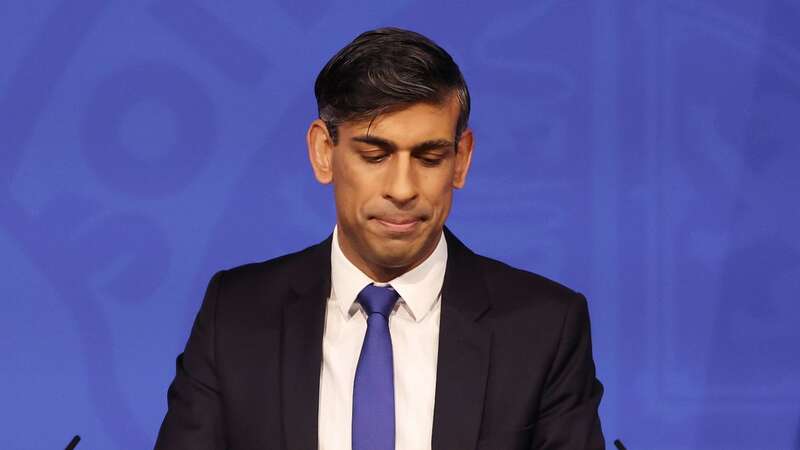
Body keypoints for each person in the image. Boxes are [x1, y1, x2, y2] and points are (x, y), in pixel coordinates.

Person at [154, 27, 604, 450]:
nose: (403, 189)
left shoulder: (545, 328)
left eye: (430, 158)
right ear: (323, 153)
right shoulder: (234, 315)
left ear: (461, 160)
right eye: (375, 155)